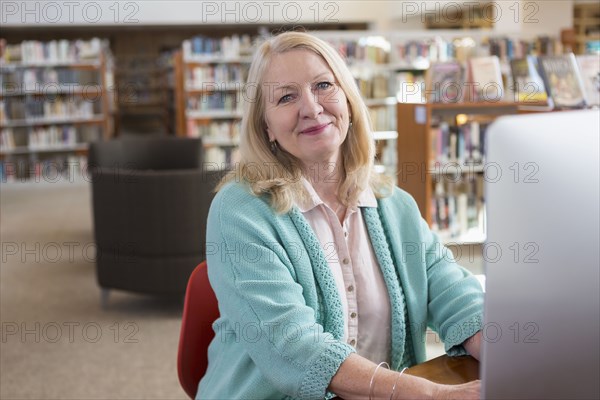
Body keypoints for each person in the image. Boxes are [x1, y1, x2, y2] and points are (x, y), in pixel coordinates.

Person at [198, 31, 484, 400]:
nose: (312, 108)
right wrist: (425, 393)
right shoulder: (240, 211)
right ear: (265, 126)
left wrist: (507, 353)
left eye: (323, 85)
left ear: (347, 98)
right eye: (286, 97)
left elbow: (456, 294)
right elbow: (293, 347)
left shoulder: (393, 204)